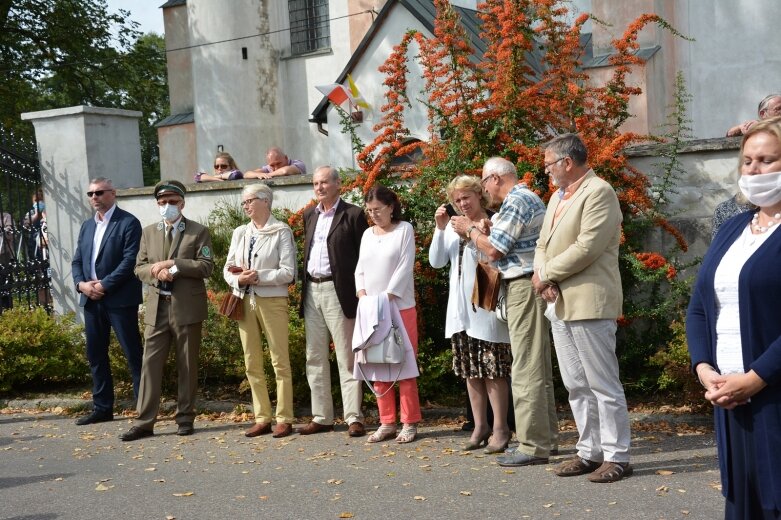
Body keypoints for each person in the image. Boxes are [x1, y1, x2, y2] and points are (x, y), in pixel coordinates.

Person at [687, 117, 781, 518]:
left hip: (771, 393)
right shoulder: (732, 228)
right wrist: (705, 369)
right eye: (747, 161)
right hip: (728, 395)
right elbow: (699, 307)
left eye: (766, 160)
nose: (753, 170)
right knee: (742, 503)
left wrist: (754, 379)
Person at [532, 133, 632, 483]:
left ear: (567, 163)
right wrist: (544, 276)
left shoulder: (599, 191)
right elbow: (543, 243)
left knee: (602, 383)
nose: (546, 172)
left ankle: (617, 456)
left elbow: (588, 246)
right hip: (559, 301)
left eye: (548, 165)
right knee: (576, 384)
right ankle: (590, 451)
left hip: (590, 300)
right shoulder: (556, 197)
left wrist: (545, 274)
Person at [451, 157, 558, 467]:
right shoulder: (524, 199)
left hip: (523, 286)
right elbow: (499, 246)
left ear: (495, 178)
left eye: (484, 183)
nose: (485, 190)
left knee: (525, 368)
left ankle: (533, 444)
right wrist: (483, 230)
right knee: (536, 366)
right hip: (524, 284)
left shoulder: (516, 200)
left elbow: (495, 250)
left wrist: (470, 230)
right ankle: (544, 439)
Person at [120, 180, 214, 441]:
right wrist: (155, 271)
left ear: (182, 203)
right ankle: (144, 422)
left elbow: (206, 266)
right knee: (149, 365)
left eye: (172, 202)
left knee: (186, 364)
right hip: (157, 308)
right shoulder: (148, 232)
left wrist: (173, 265)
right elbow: (138, 268)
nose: (167, 207)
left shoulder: (198, 232)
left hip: (186, 308)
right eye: (162, 203)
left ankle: (185, 417)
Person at [428, 175, 512, 453]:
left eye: (467, 197)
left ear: (479, 195)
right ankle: (480, 426)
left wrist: (475, 231)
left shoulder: (494, 221)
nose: (462, 203)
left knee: (494, 370)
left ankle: (500, 428)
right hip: (461, 310)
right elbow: (437, 262)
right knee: (471, 371)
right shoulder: (452, 227)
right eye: (457, 200)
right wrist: (440, 230)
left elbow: (495, 256)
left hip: (486, 307)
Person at [299, 166, 368, 437]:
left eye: (325, 182)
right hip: (311, 291)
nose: (319, 187)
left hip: (339, 291)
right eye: (316, 183)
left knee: (347, 357)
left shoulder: (353, 214)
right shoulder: (309, 214)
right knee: (314, 356)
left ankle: (354, 417)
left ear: (339, 184)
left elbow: (365, 256)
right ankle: (322, 416)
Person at [224, 184, 297, 438]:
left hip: (272, 300)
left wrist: (259, 277)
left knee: (279, 360)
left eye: (250, 201)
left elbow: (289, 272)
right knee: (251, 360)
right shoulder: (240, 232)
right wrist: (238, 279)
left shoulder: (282, 231)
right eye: (244, 202)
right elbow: (227, 268)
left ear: (266, 201)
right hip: (244, 299)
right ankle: (262, 416)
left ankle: (284, 417)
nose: (245, 206)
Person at [71, 178, 144, 426]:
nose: (94, 197)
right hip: (91, 300)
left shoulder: (128, 222)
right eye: (90, 193)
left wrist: (103, 285)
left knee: (133, 354)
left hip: (120, 299)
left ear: (113, 193)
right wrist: (81, 284)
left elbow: (129, 261)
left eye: (99, 192)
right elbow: (77, 260)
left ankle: (144, 409)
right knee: (96, 355)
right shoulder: (86, 225)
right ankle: (102, 408)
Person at [355, 185, 421, 444]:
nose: (373, 215)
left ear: (391, 207)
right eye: (369, 211)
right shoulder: (367, 235)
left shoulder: (404, 230)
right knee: (377, 363)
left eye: (378, 210)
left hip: (398, 305)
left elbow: (405, 265)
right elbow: (359, 268)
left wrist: (388, 295)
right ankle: (386, 421)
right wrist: (362, 293)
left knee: (403, 363)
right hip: (371, 307)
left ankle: (409, 421)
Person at [0, 211, 16, 310]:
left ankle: (7, 312)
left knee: (5, 286)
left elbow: (11, 234)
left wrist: (3, 231)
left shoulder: (6, 216)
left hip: (3, 255)